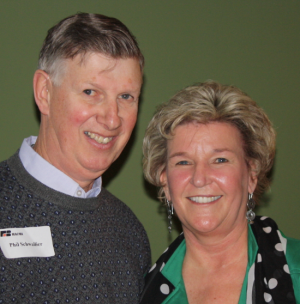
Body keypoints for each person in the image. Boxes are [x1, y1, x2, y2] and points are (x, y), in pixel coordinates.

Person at [0, 13, 151, 303]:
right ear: (44, 92)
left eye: (126, 97)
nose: (111, 119)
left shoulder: (129, 232)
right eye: (91, 92)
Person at [140, 81, 300, 304]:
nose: (200, 178)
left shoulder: (296, 270)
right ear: (165, 182)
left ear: (252, 175)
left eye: (220, 160)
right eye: (183, 162)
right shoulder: (143, 291)